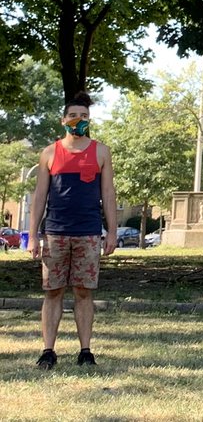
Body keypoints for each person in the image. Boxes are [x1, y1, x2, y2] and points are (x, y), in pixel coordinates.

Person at [28, 91, 118, 370]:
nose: (78, 120)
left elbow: (108, 194)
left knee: (83, 292)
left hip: (89, 232)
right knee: (53, 292)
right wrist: (32, 236)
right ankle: (47, 351)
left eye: (84, 117)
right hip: (55, 232)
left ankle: (86, 351)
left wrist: (112, 231)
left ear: (89, 120)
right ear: (63, 120)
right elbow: (40, 196)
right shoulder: (50, 153)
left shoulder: (101, 151)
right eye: (73, 116)